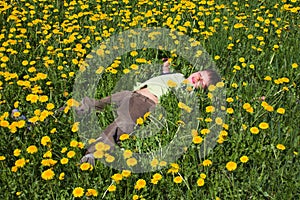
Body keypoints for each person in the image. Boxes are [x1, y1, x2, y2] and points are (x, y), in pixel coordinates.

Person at [73, 59, 222, 166]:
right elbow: (165, 76)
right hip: (132, 93)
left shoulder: (188, 92)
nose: (197, 79)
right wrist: (165, 66)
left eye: (202, 82)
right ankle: (77, 108)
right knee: (101, 103)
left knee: (123, 124)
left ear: (202, 91)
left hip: (144, 103)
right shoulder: (179, 76)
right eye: (200, 74)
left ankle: (94, 152)